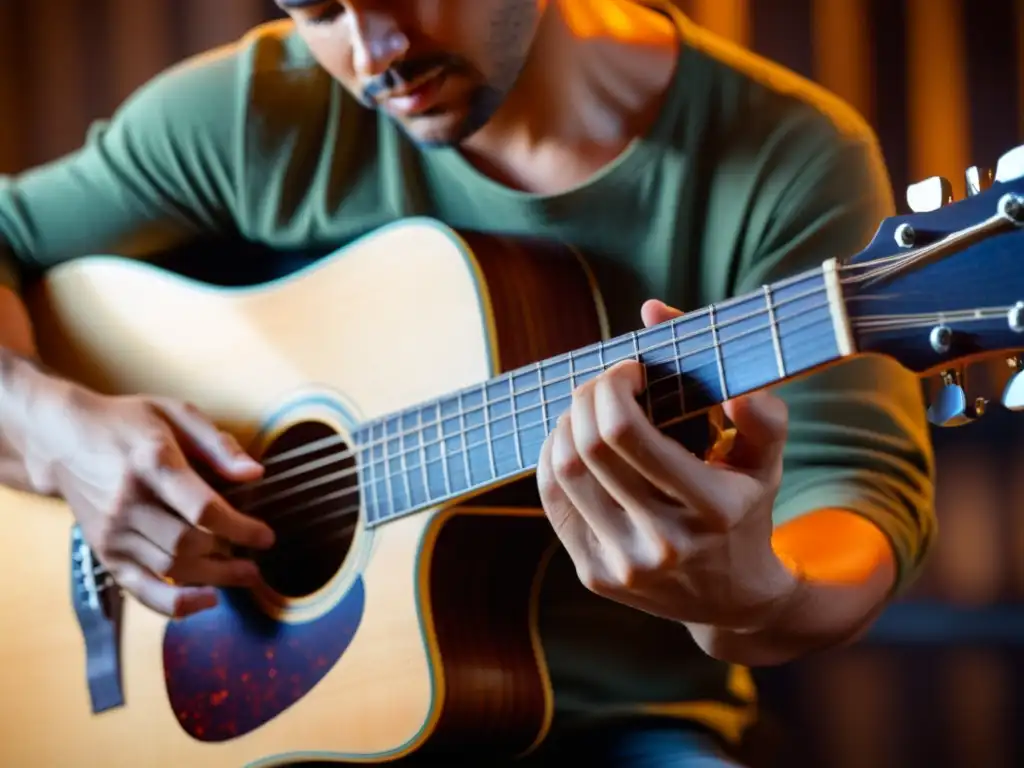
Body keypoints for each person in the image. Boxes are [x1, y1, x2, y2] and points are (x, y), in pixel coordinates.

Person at [0, 0, 935, 765]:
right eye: (319, 10)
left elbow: (858, 494)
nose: (375, 53)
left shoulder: (786, 157)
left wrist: (755, 595)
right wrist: (52, 430)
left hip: (612, 727)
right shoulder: (258, 110)